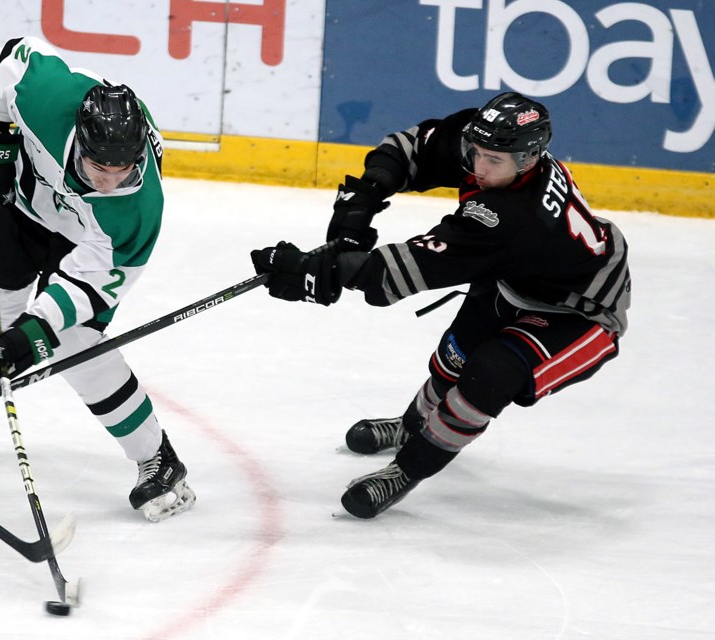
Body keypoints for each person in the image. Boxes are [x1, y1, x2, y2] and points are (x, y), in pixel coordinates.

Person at [250, 92, 631, 519]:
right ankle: (410, 426)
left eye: (493, 161)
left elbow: (402, 270)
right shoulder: (492, 148)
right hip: (516, 276)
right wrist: (363, 199)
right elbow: (411, 147)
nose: (478, 168)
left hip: (583, 312)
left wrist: (314, 273)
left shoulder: (510, 217)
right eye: (475, 153)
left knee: (489, 374)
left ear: (528, 160)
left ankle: (406, 470)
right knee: (456, 356)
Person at [0, 35, 194, 522]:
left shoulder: (136, 208)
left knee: (74, 343)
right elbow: (10, 54)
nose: (108, 181)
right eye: (98, 168)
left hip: (90, 240)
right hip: (26, 206)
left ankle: (157, 459)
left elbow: (88, 285)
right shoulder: (46, 96)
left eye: (121, 172)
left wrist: (33, 335)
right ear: (79, 141)